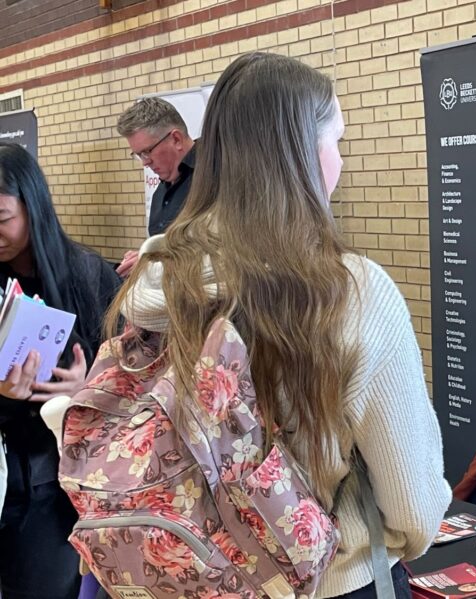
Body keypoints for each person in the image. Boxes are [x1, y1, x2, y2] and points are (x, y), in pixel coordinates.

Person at [108, 52, 451, 599]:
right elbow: (412, 500)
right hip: (325, 579)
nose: (340, 157)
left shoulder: (157, 275)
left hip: (185, 572)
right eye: (336, 139)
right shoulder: (351, 292)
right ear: (300, 152)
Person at [0, 141, 121, 599]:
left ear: (34, 206)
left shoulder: (88, 277)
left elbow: (145, 381)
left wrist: (89, 387)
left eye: (1, 219)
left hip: (56, 484)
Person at [115, 97, 197, 276]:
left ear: (176, 139)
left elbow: (220, 253)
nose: (145, 163)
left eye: (146, 152)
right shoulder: (161, 191)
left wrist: (153, 263)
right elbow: (167, 248)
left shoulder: (215, 178)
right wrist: (145, 256)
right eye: (138, 155)